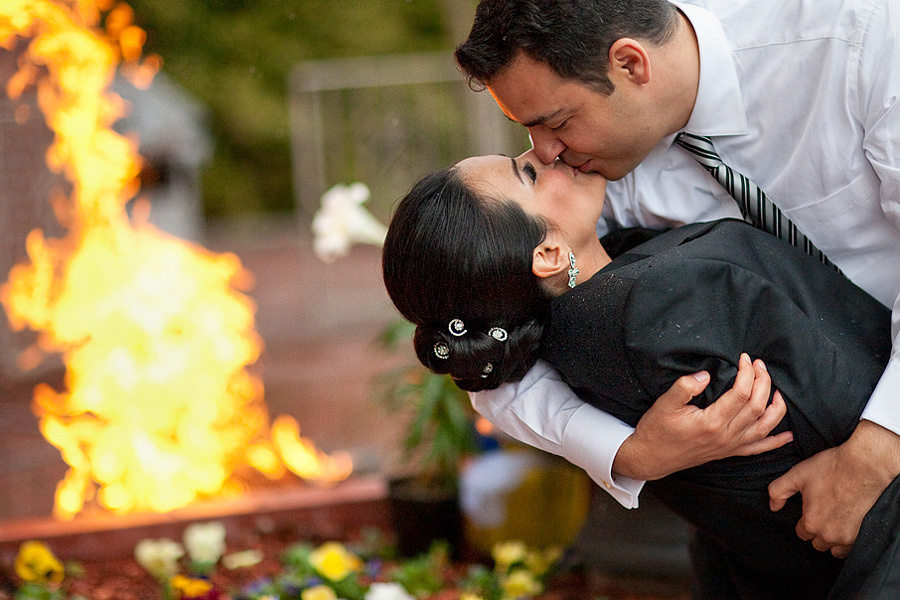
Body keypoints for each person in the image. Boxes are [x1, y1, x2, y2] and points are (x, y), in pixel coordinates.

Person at [452, 0, 900, 563]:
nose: (545, 151)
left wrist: (879, 449)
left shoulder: (858, 36)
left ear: (631, 65)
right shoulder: (588, 174)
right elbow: (488, 349)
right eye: (529, 128)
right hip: (763, 512)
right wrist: (627, 453)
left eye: (557, 121)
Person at [381, 150, 894, 598]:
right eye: (528, 175)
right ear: (548, 254)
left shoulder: (597, 307)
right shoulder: (650, 313)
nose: (547, 153)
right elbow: (825, 400)